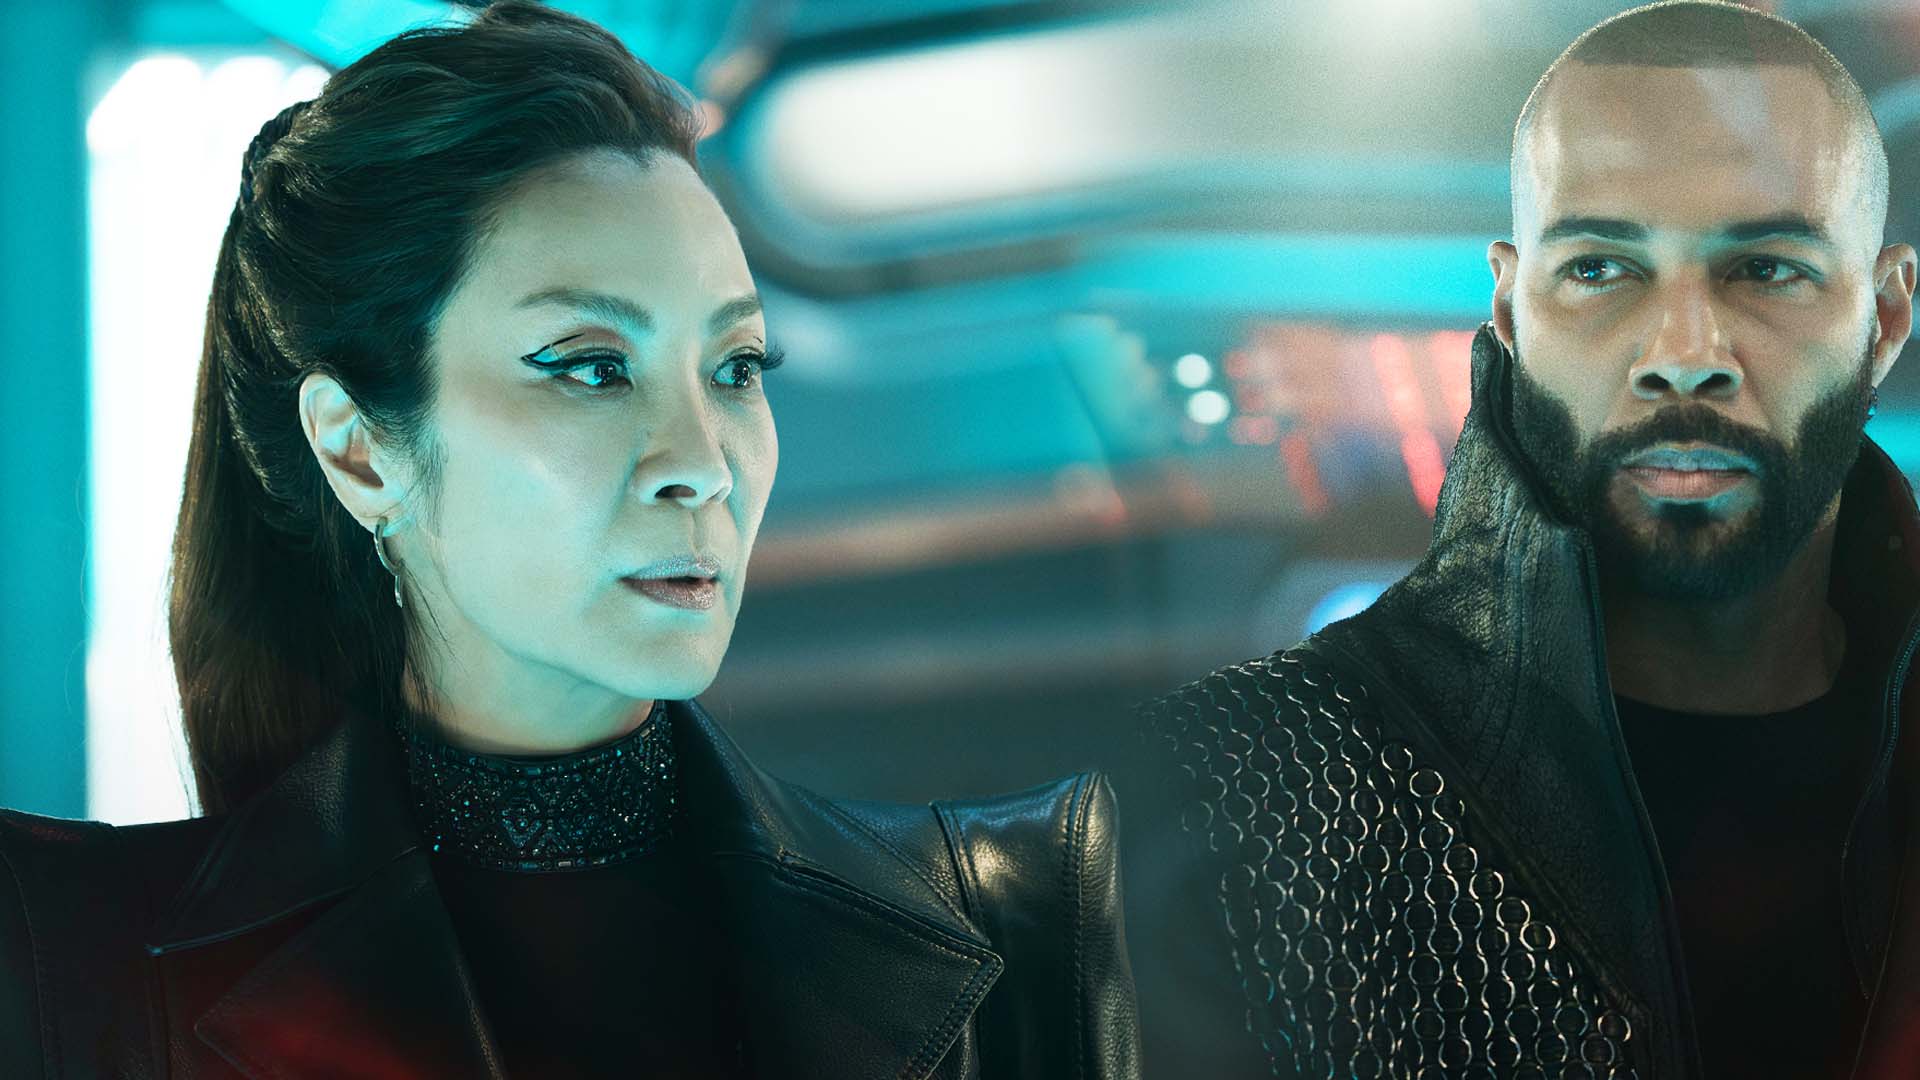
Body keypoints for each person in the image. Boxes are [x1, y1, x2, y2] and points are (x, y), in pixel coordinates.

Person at [0, 3, 1140, 1077]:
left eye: (736, 367)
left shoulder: (1012, 908)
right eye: (593, 368)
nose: (703, 462)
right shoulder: (64, 957)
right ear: (360, 452)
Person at [1132, 2, 1920, 1077]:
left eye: (1767, 268)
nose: (1684, 354)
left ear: (1885, 316)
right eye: (1599, 268)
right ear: (1508, 312)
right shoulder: (1230, 798)